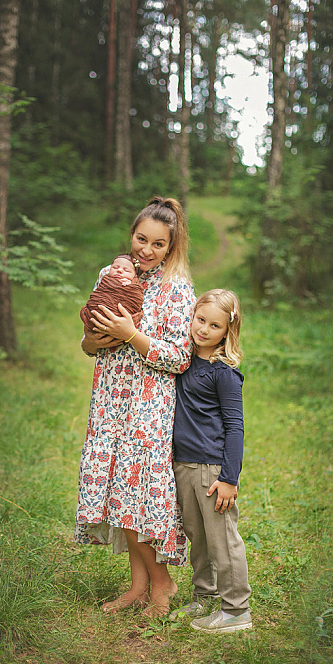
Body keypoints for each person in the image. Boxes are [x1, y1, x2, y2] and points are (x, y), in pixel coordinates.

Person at [75, 196, 195, 618]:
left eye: (158, 244)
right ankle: (138, 587)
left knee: (137, 494)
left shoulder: (177, 288)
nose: (146, 250)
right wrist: (94, 340)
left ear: (171, 246)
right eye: (141, 239)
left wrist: (131, 334)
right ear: (131, 234)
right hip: (109, 399)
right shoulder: (111, 274)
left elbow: (180, 357)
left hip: (148, 405)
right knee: (117, 492)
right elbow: (89, 340)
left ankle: (163, 584)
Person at [170, 289, 253, 633]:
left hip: (211, 469)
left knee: (222, 539)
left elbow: (235, 427)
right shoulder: (182, 359)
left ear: (227, 331)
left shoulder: (224, 373)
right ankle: (205, 595)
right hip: (183, 464)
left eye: (214, 325)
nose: (203, 329)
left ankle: (236, 611)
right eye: (200, 319)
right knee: (198, 536)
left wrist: (229, 478)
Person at [80, 254, 144, 331]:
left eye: (126, 270)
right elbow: (97, 295)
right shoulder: (105, 279)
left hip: (122, 326)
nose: (119, 270)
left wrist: (129, 285)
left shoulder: (134, 286)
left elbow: (136, 300)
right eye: (115, 267)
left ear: (134, 276)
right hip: (96, 315)